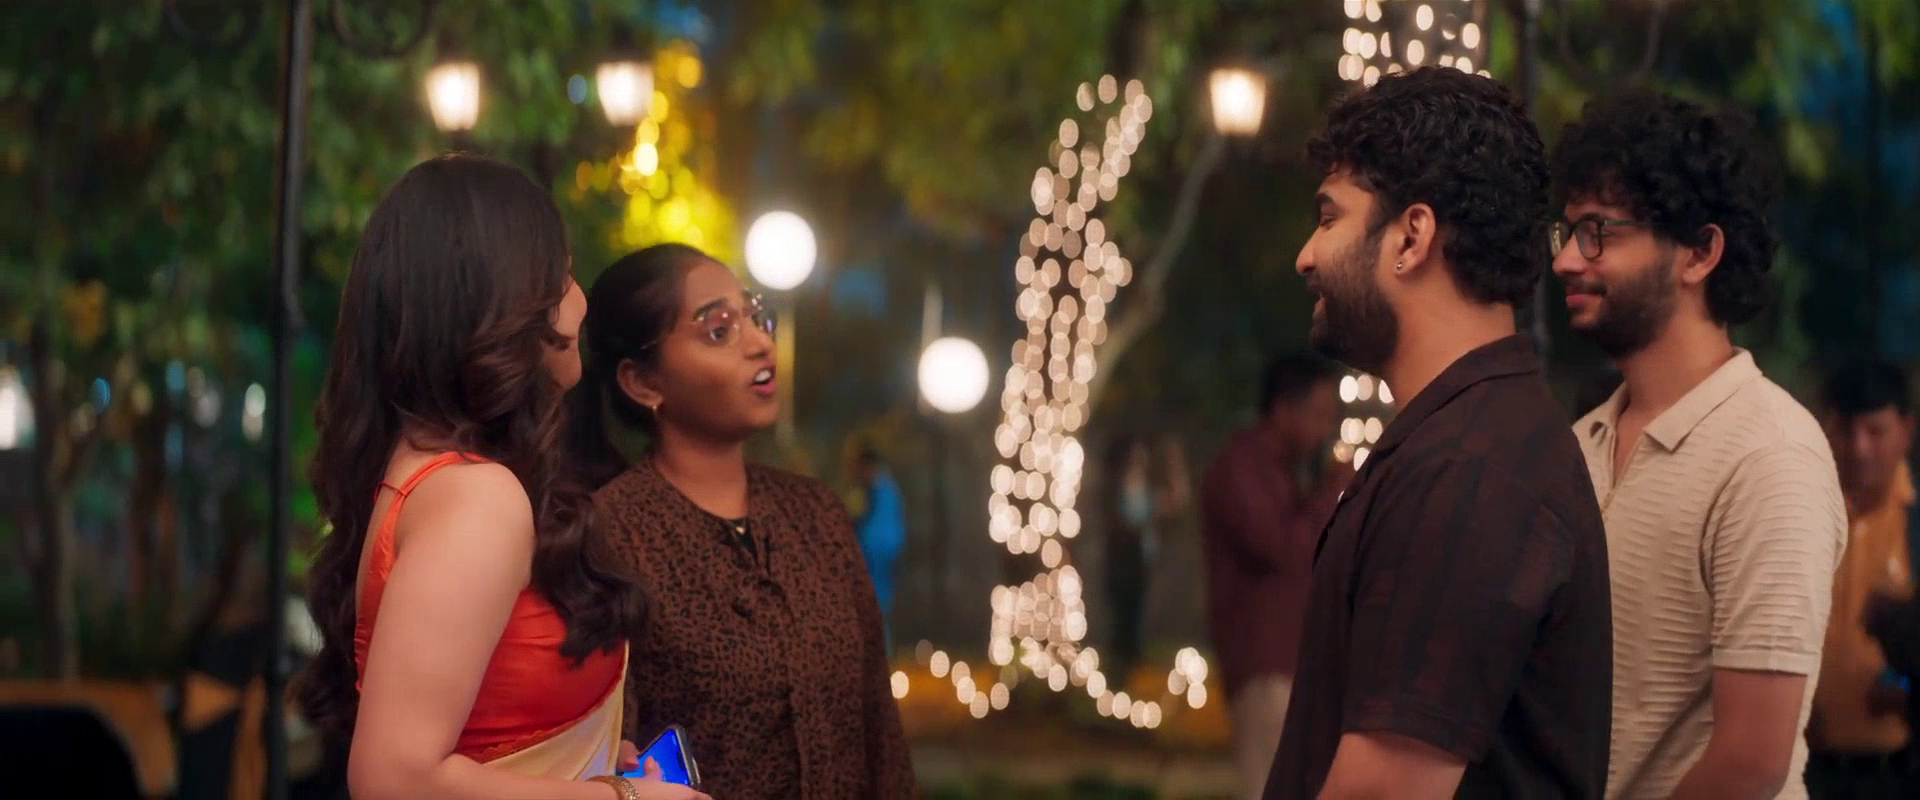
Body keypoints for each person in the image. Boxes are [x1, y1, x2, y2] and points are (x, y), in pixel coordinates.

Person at [295, 156, 703, 800]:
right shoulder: (476, 496)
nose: (579, 302)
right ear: (505, 303)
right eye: (562, 276)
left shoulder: (428, 470)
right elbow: (394, 779)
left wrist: (582, 762)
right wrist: (622, 798)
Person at [1266, 66, 1613, 799]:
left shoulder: (1470, 469)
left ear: (1412, 236)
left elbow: (1384, 789)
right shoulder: (1466, 440)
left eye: (1329, 218)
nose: (1306, 255)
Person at [1551, 89, 1847, 798]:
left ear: (1700, 252)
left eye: (1597, 231)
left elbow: (1750, 763)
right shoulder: (1577, 444)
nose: (1564, 260)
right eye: (1565, 231)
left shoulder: (1769, 455)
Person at [570, 243, 916, 800]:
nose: (760, 343)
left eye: (757, 318)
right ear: (642, 383)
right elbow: (608, 751)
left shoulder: (817, 513)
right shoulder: (609, 534)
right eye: (719, 330)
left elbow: (880, 730)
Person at [1198, 351, 1346, 800]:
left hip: (1289, 663)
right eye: (1319, 414)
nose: (1326, 429)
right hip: (1265, 665)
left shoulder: (1280, 470)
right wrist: (1333, 493)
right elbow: (1280, 547)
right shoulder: (1241, 467)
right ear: (1282, 409)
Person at [1810, 360, 1917, 796]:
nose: (1859, 449)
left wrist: (1906, 685)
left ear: (1907, 430)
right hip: (1804, 770)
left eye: (1875, 431)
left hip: (1900, 773)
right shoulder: (1798, 515)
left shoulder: (1916, 524)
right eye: (1844, 431)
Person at [851, 448, 907, 654]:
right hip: (881, 556)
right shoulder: (885, 489)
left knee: (875, 609)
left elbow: (879, 531)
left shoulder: (881, 490)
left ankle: (879, 656)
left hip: (876, 557)